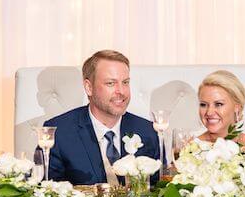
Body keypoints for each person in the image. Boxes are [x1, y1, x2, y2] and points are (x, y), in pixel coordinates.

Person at [43, 50, 160, 185]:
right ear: (89, 87)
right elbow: (46, 195)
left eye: (125, 82)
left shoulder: (149, 131)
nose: (121, 91)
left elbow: (159, 191)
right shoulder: (59, 133)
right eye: (111, 83)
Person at [197, 70, 245, 150]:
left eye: (218, 104)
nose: (209, 112)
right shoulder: (187, 151)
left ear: (237, 108)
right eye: (203, 104)